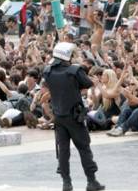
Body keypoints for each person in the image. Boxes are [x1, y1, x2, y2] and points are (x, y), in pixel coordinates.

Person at [43, 42, 105, 191]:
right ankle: (91, 181)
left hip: (58, 116)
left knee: (63, 151)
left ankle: (66, 183)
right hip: (74, 116)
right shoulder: (74, 70)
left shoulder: (48, 70)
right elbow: (88, 83)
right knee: (84, 148)